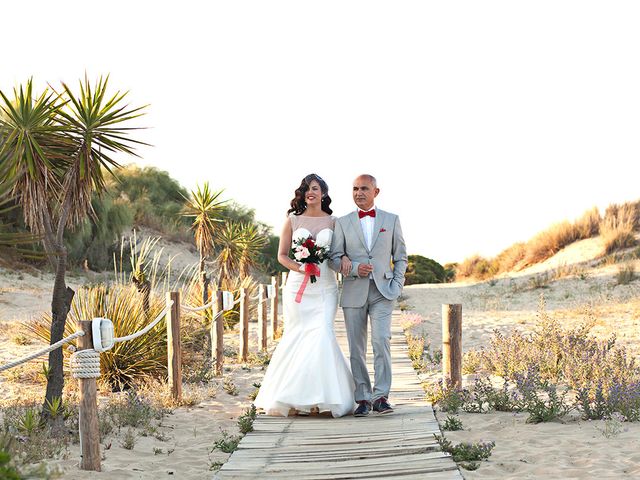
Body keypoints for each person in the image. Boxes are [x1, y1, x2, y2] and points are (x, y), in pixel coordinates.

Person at [254, 174, 355, 418]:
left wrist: (342, 259)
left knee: (322, 333)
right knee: (298, 335)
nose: (311, 192)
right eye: (307, 189)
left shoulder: (334, 222)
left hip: (325, 287)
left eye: (316, 188)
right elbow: (282, 255)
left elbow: (338, 252)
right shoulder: (292, 219)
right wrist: (302, 267)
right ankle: (295, 398)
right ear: (302, 193)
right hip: (298, 286)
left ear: (323, 193)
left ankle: (320, 399)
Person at [329, 174, 408, 417]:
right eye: (354, 188)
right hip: (354, 290)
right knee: (356, 347)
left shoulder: (391, 220)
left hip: (383, 292)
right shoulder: (341, 223)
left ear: (376, 191)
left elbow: (401, 256)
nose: (358, 193)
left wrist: (397, 283)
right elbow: (333, 258)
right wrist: (353, 268)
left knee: (381, 340)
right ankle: (362, 397)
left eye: (364, 188)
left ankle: (381, 395)